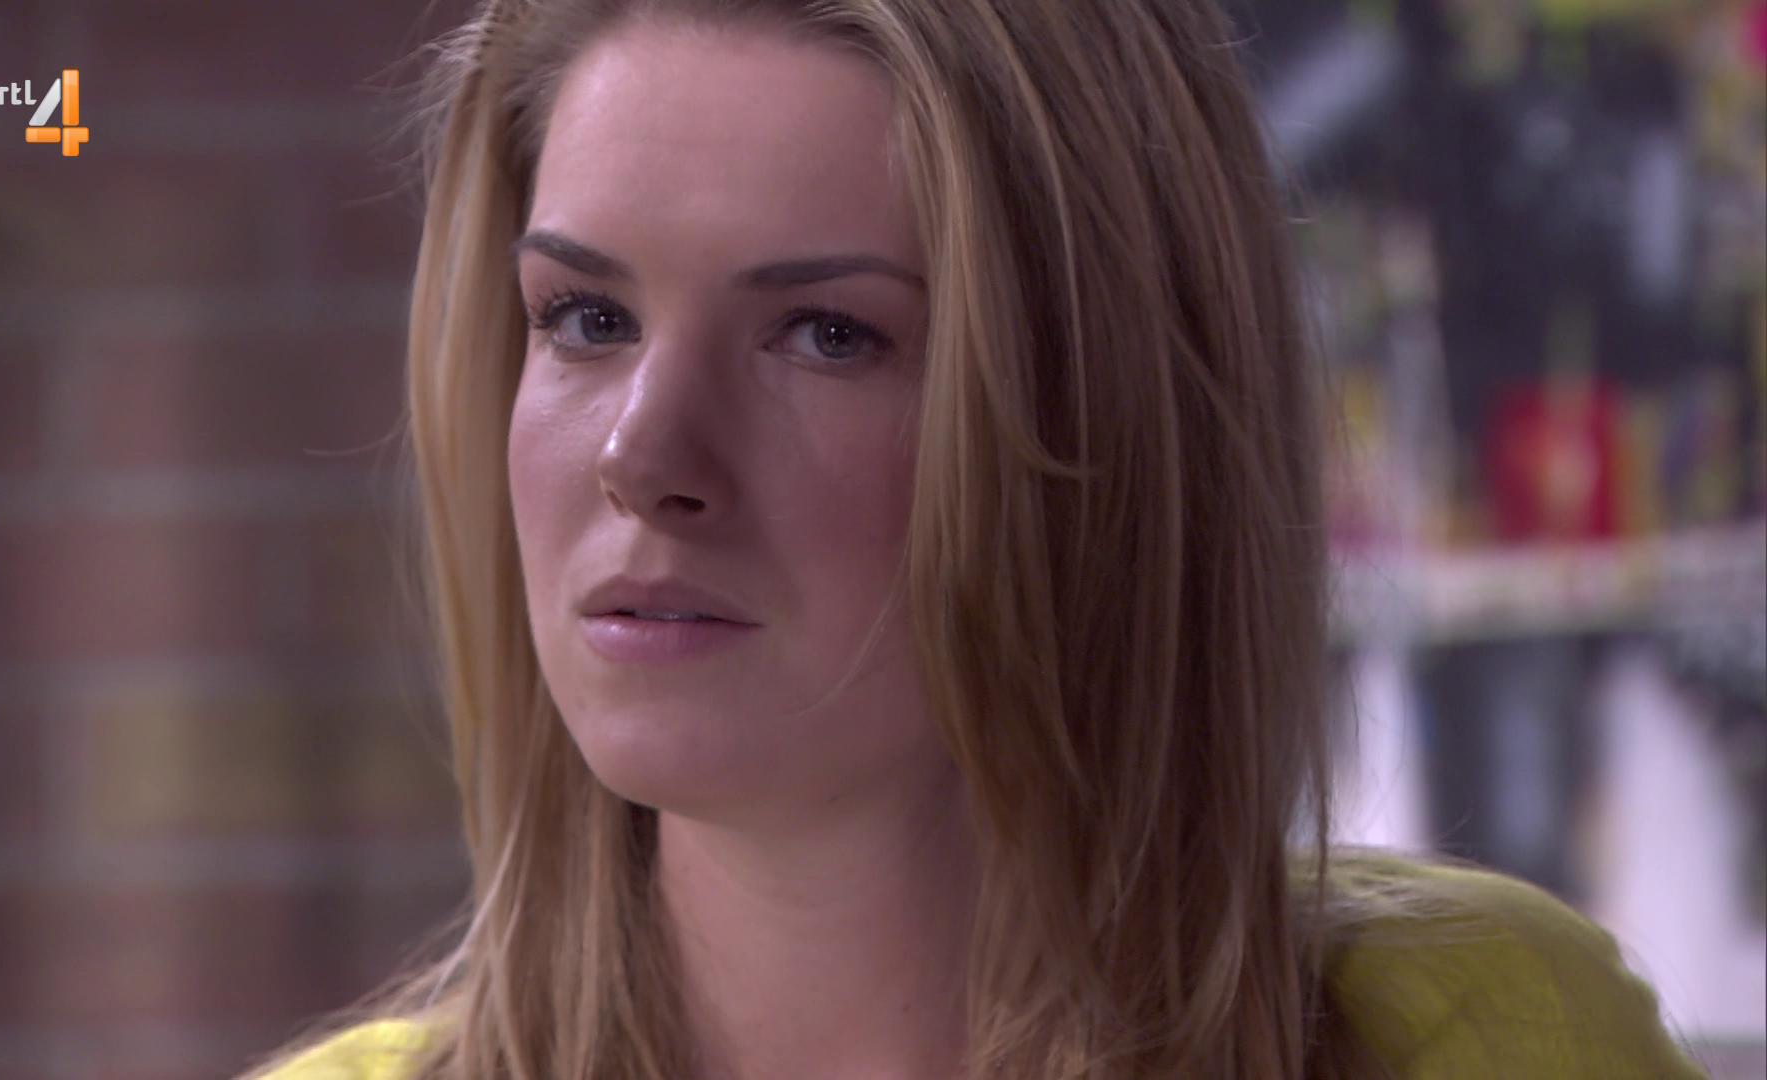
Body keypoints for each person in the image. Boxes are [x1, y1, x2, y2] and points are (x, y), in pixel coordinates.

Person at [244, 0, 1709, 1076]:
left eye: (828, 334)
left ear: (1110, 419)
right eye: (586, 319)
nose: (643, 457)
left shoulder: (1485, 1039)